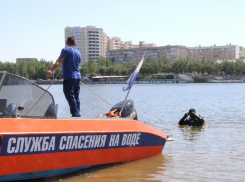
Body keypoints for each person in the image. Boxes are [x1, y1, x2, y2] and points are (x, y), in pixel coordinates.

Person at [46, 36, 81, 117]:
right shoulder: (78, 53)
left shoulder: (65, 50)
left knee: (69, 94)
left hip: (69, 77)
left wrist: (51, 70)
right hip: (78, 77)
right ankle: (77, 113)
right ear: (75, 44)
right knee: (76, 97)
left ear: (66, 43)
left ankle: (76, 115)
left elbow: (59, 61)